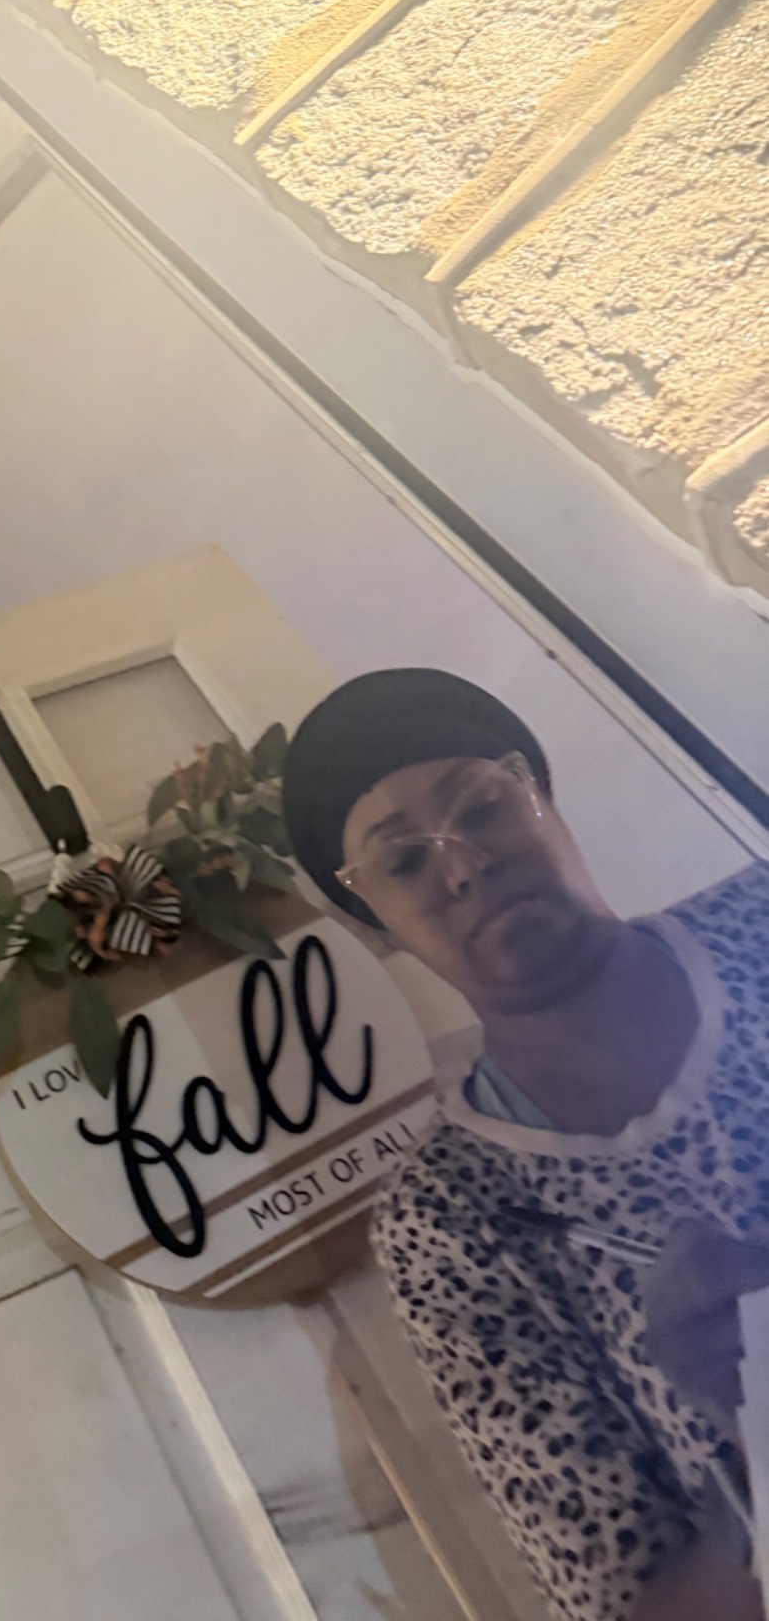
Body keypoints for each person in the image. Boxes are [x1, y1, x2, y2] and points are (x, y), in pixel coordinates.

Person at [281, 668, 769, 1621]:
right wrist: (746, 1429)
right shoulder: (450, 1217)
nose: (464, 866)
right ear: (378, 919)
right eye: (406, 862)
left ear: (543, 796)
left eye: (483, 809)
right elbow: (617, 1599)